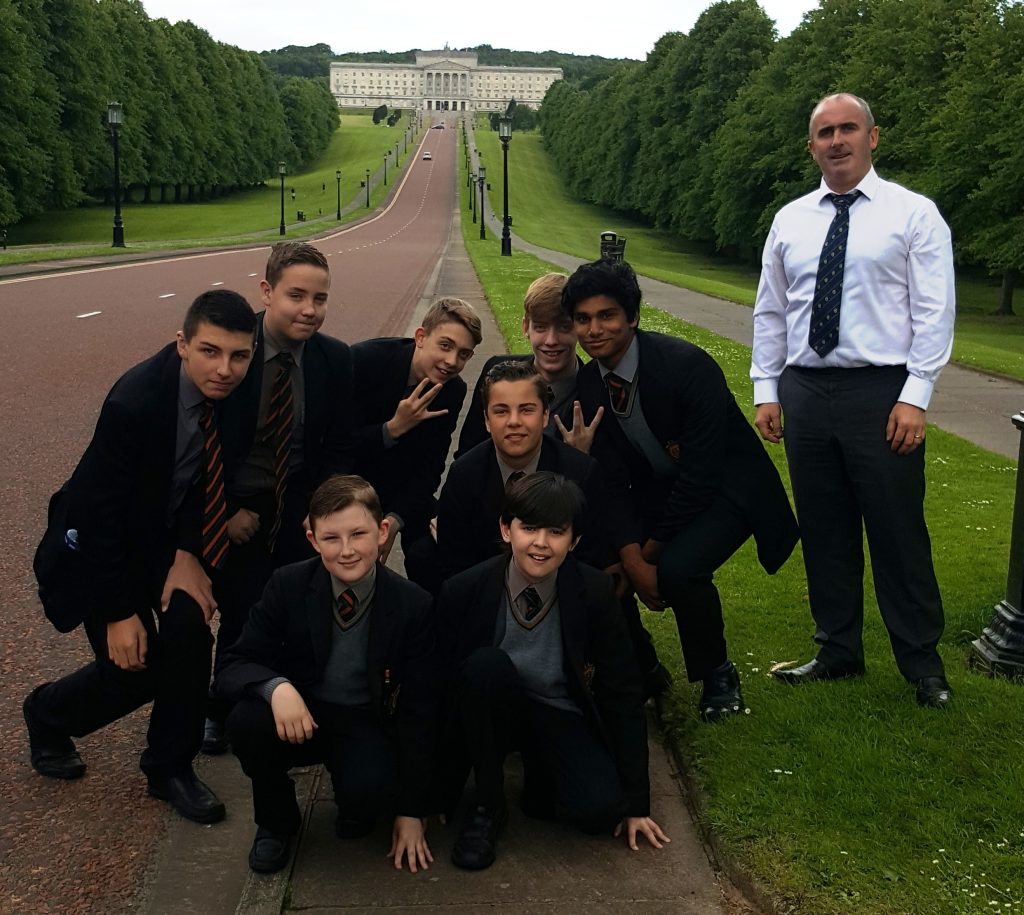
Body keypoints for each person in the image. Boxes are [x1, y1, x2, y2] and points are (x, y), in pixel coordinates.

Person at [751, 93, 955, 709]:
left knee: (897, 530)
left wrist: (915, 396)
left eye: (847, 129)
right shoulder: (791, 219)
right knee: (825, 528)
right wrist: (768, 388)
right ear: (811, 145)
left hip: (881, 392)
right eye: (824, 132)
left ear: (873, 137)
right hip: (807, 389)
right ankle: (838, 649)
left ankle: (922, 664)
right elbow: (771, 309)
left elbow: (934, 309)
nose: (836, 141)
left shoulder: (914, 215)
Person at [24, 291, 258, 824]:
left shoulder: (237, 392)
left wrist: (185, 551)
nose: (224, 369)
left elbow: (207, 478)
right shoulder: (135, 402)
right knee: (133, 666)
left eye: (238, 355)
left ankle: (168, 768)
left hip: (164, 539)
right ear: (182, 344)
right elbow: (96, 511)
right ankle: (46, 714)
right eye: (210, 351)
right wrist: (117, 612)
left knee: (191, 633)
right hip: (98, 547)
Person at [562, 258, 799, 722]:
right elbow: (609, 480)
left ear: (631, 316)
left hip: (727, 489)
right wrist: (629, 557)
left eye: (606, 316)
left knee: (680, 567)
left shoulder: (687, 366)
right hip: (660, 489)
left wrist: (648, 557)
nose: (594, 330)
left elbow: (701, 475)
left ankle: (718, 673)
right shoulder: (588, 385)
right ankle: (641, 668)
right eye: (583, 319)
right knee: (595, 560)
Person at [437, 473, 668, 870]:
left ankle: (541, 777)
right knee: (484, 666)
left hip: (557, 710)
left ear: (574, 541)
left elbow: (622, 693)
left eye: (556, 532)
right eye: (528, 528)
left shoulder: (594, 592)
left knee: (598, 811)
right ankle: (489, 806)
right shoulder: (465, 589)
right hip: (491, 705)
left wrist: (635, 803)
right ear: (506, 531)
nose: (541, 543)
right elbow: (437, 686)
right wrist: (428, 793)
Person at [216, 475, 437, 874]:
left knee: (368, 801)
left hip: (365, 720)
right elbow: (234, 663)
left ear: (382, 531)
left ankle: (352, 787)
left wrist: (411, 810)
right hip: (302, 715)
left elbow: (420, 711)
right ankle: (275, 821)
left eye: (358, 534)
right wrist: (276, 687)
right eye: (332, 538)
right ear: (313, 539)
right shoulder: (288, 585)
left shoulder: (413, 605)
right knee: (246, 721)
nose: (347, 550)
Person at [203, 241, 356, 754]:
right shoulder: (233, 348)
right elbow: (203, 439)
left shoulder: (334, 359)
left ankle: (292, 697)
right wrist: (223, 512)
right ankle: (220, 707)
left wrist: (323, 515)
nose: (309, 310)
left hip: (299, 501)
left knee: (300, 604)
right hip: (235, 502)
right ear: (267, 292)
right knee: (242, 609)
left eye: (320, 298)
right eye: (296, 296)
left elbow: (336, 445)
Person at [437, 360, 614, 580]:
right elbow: (454, 561)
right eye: (501, 411)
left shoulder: (581, 473)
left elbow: (592, 557)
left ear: (545, 416)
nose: (514, 421)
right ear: (486, 421)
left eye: (526, 410)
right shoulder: (464, 475)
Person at [351, 297, 481, 592]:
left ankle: (431, 622)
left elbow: (430, 467)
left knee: (432, 550)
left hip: (401, 491)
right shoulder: (366, 361)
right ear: (421, 337)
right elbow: (338, 445)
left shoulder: (452, 389)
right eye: (445, 346)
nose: (451, 362)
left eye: (463, 354)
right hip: (350, 481)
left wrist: (396, 519)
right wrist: (392, 429)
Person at [455, 273, 601, 458]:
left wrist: (579, 458)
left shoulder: (595, 393)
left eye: (564, 327)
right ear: (526, 328)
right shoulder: (496, 373)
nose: (551, 340)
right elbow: (466, 453)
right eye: (540, 327)